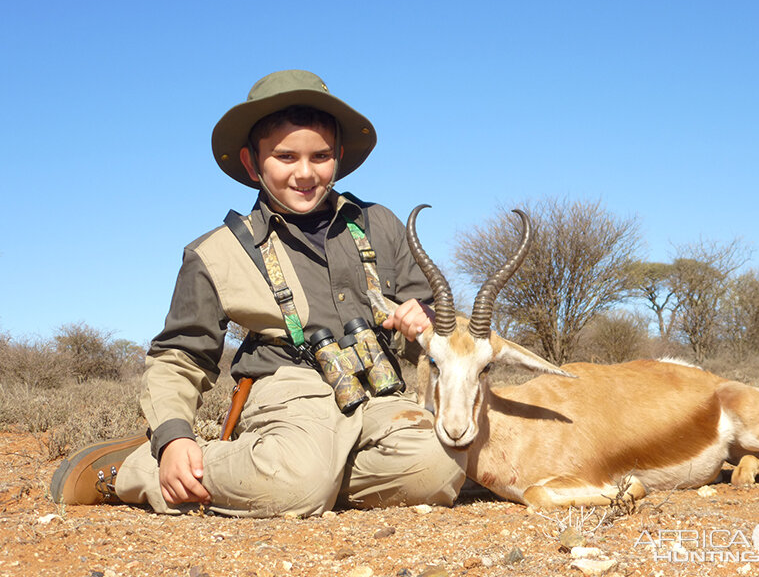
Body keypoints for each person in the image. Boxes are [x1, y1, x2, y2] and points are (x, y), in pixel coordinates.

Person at [51, 70, 466, 517]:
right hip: (289, 389)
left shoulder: (379, 223)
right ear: (252, 164)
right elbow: (180, 356)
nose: (305, 173)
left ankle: (297, 478)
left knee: (441, 465)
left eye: (321, 156)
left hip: (376, 390)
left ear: (339, 157)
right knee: (299, 484)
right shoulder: (213, 252)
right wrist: (173, 435)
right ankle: (139, 468)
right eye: (285, 156)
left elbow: (432, 319)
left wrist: (420, 319)